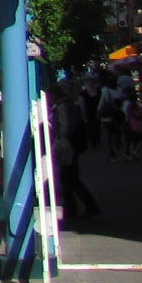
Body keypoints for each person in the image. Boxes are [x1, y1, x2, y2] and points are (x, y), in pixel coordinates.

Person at [51, 82, 100, 223]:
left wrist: (58, 139)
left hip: (67, 147)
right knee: (71, 178)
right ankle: (82, 207)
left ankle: (76, 209)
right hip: (73, 145)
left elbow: (66, 127)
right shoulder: (70, 105)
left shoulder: (62, 107)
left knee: (68, 178)